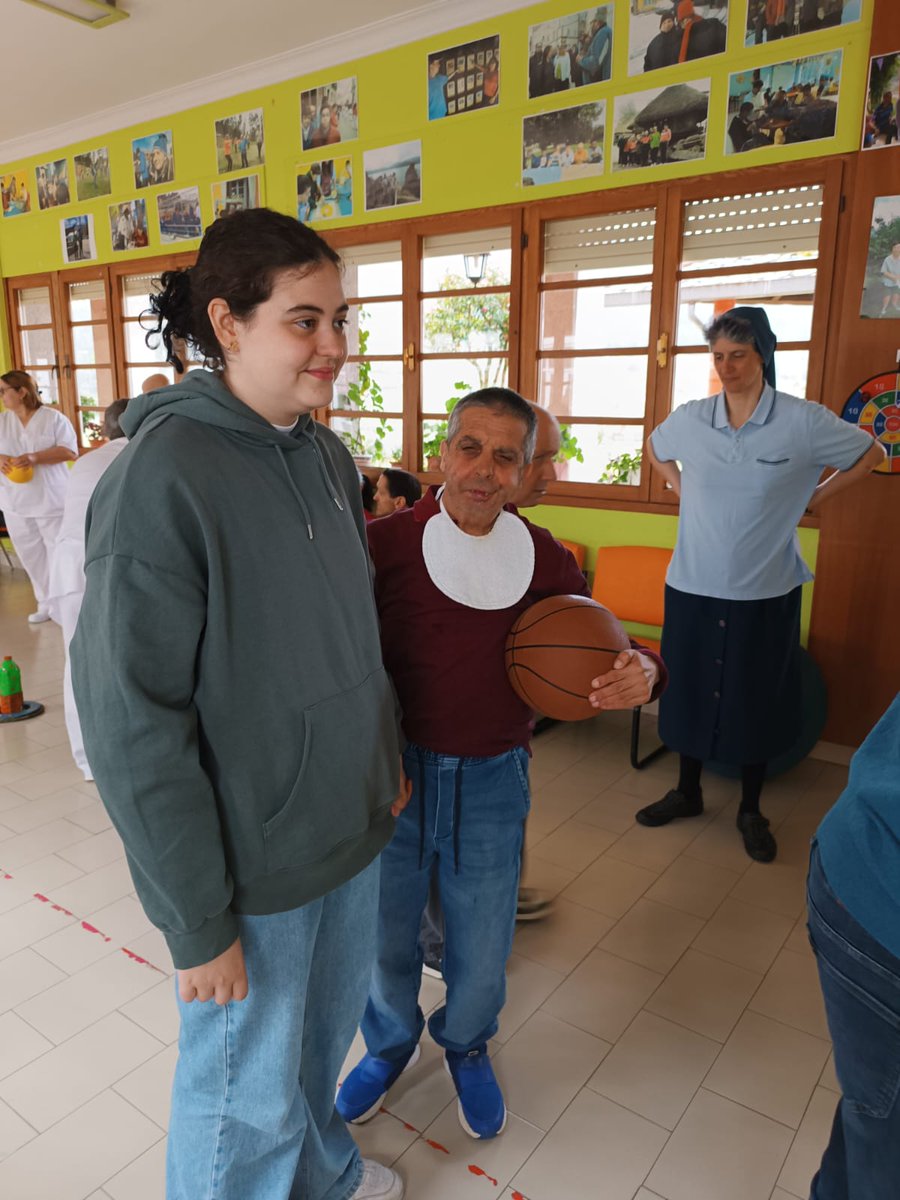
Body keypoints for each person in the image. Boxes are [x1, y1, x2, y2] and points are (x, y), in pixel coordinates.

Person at [70, 208, 407, 1200]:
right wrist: (196, 919)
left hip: (346, 826)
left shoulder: (325, 456)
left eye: (340, 320)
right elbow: (132, 720)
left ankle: (325, 1180)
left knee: (317, 1052)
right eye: (305, 321)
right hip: (253, 863)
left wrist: (379, 754)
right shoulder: (162, 478)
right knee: (241, 1095)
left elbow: (351, 632)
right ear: (227, 323)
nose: (334, 346)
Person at [336, 388, 665, 1140]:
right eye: (470, 448)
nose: (485, 470)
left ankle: (467, 1042)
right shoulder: (382, 545)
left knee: (483, 945)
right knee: (383, 937)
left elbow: (605, 640)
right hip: (394, 778)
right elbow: (340, 662)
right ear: (440, 454)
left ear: (523, 472)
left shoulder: (544, 556)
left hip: (493, 777)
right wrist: (371, 756)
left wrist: (646, 669)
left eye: (506, 456)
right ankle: (387, 1046)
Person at [641, 307, 885, 862]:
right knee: (690, 690)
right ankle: (686, 791)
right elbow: (655, 447)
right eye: (718, 357)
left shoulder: (802, 420)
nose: (726, 368)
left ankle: (751, 809)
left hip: (765, 589)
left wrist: (814, 498)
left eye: (739, 356)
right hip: (692, 583)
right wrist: (680, 488)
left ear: (763, 356)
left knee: (755, 698)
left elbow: (870, 454)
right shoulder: (693, 417)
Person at [807, 692, 900, 1200]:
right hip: (874, 891)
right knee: (875, 1129)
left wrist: (648, 669)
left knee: (869, 1118)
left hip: (857, 858)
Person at [49, 400, 130, 780]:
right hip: (101, 561)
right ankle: (114, 751)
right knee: (118, 657)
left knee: (76, 661)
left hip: (69, 566)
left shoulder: (88, 459)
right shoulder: (140, 454)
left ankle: (86, 759)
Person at [0, 371, 78, 624]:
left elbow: (69, 452)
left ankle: (64, 607)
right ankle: (45, 603)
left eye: (3, 391)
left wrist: (35, 457)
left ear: (21, 391)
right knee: (31, 556)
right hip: (14, 503)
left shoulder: (53, 418)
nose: (1, 396)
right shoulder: (3, 421)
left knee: (57, 555)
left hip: (51, 501)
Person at [578, 13, 612, 83]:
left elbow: (595, 62)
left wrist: (581, 60)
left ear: (597, 22)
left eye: (591, 23)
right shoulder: (602, 32)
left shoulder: (603, 33)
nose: (590, 27)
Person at [879, 243, 900, 315]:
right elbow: (884, 272)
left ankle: (895, 305)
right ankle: (884, 308)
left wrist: (898, 278)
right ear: (893, 249)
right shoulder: (887, 259)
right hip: (888, 282)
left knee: (896, 295)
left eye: (899, 248)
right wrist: (893, 277)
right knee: (887, 296)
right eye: (896, 247)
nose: (898, 249)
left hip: (898, 282)